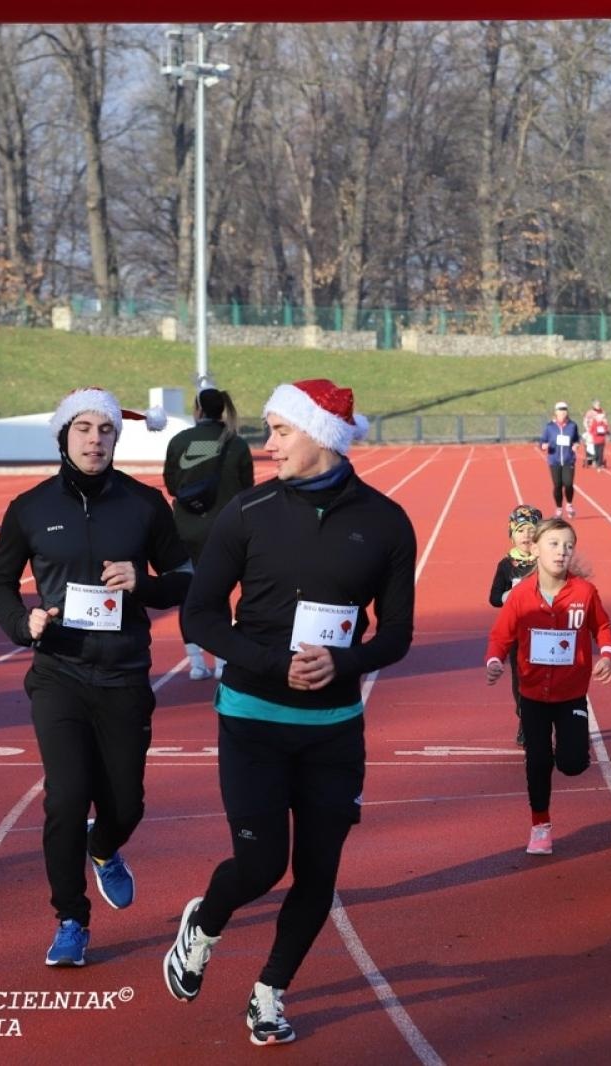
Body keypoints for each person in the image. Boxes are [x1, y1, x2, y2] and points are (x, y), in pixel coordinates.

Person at [166, 377, 416, 1047]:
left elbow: (395, 634)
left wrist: (346, 664)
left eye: (280, 431)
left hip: (334, 731)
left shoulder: (386, 523)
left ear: (322, 437)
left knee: (318, 874)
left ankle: (271, 991)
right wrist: (274, 664)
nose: (266, 444)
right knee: (259, 866)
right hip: (252, 718)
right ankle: (205, 923)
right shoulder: (246, 513)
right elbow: (201, 615)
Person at [0, 387, 190, 967]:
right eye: (84, 429)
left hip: (123, 673)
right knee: (66, 798)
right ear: (63, 436)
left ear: (117, 438)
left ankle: (106, 847)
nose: (95, 439)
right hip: (59, 673)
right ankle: (71, 919)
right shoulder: (30, 507)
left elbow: (186, 576)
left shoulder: (146, 505)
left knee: (126, 806)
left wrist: (142, 584)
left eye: (105, 430)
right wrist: (24, 623)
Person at [484, 517, 611, 856]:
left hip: (571, 692)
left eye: (568, 546)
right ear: (537, 549)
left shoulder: (584, 592)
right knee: (537, 760)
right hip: (532, 694)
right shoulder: (520, 596)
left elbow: (601, 625)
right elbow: (501, 635)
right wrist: (494, 661)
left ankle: (575, 742)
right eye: (554, 544)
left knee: (572, 764)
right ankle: (540, 825)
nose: (561, 552)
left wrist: (607, 655)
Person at [163, 386, 255, 680]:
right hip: (226, 530)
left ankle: (196, 663)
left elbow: (173, 486)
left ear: (198, 409)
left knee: (189, 594)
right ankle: (223, 661)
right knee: (219, 594)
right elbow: (248, 490)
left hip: (185, 529)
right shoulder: (236, 444)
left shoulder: (180, 441)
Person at [488, 504, 541, 747]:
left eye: (532, 530)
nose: (526, 536)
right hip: (518, 635)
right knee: (520, 680)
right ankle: (525, 721)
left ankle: (547, 722)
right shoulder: (506, 565)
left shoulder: (548, 562)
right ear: (512, 534)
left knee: (545, 679)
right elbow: (493, 597)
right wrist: (509, 596)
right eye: (520, 530)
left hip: (545, 633)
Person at [539, 401, 581, 518]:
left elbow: (577, 439)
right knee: (557, 485)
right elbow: (542, 441)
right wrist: (543, 446)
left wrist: (576, 445)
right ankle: (558, 508)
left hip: (568, 460)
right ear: (556, 412)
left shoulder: (572, 425)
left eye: (564, 410)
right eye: (560, 410)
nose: (562, 412)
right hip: (554, 460)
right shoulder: (550, 427)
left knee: (568, 484)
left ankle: (569, 504)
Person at [583, 399, 610, 469]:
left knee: (599, 447)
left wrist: (606, 429)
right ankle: (590, 459)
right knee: (590, 446)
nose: (598, 405)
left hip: (600, 433)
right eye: (597, 404)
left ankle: (598, 461)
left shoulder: (603, 412)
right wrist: (588, 429)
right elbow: (585, 421)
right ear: (594, 405)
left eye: (599, 404)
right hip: (591, 431)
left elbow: (605, 422)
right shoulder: (589, 412)